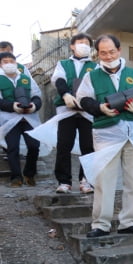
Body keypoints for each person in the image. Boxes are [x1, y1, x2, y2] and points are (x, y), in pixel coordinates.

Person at [76, 34, 133, 238]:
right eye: (103, 52)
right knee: (104, 180)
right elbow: (83, 100)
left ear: (119, 51)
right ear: (97, 54)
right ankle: (101, 224)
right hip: (106, 134)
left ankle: (128, 221)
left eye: (111, 51)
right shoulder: (91, 76)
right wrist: (99, 108)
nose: (108, 56)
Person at [51, 32, 96, 194]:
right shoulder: (63, 64)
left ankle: (87, 180)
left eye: (87, 43)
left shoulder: (95, 66)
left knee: (88, 146)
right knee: (64, 145)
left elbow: (96, 86)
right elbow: (59, 80)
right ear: (72, 46)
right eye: (80, 42)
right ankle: (64, 181)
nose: (84, 45)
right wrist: (66, 94)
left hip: (87, 111)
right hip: (67, 110)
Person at [0, 51, 41, 187]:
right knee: (13, 148)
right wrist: (12, 106)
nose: (9, 64)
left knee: (34, 146)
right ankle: (16, 177)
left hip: (29, 118)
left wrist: (34, 105)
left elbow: (37, 95)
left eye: (12, 62)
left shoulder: (25, 78)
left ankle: (29, 173)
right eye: (5, 62)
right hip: (9, 120)